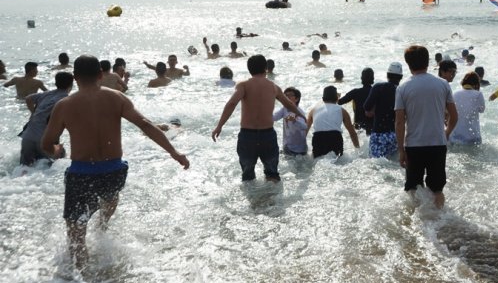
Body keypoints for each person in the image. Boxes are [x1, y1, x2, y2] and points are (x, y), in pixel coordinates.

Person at [41, 55, 189, 269]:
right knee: (109, 200)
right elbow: (146, 125)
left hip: (81, 173)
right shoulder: (117, 98)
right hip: (113, 170)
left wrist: (57, 149)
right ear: (101, 75)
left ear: (75, 78)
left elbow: (47, 144)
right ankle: (102, 227)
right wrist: (174, 152)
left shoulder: (64, 106)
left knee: (75, 234)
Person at [211, 55, 303, 182]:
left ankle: (253, 200)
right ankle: (274, 201)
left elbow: (232, 103)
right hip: (267, 135)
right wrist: (304, 117)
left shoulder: (243, 85)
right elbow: (289, 105)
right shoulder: (274, 87)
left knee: (248, 175)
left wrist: (219, 126)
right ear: (265, 68)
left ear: (249, 69)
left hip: (248, 135)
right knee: (272, 173)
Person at [395, 45, 457, 209]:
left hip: (414, 145)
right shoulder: (443, 84)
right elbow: (454, 115)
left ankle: (417, 221)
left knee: (413, 188)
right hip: (437, 143)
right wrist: (447, 133)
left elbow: (400, 122)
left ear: (408, 64)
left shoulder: (403, 87)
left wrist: (401, 150)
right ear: (427, 62)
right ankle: (440, 219)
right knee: (437, 189)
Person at [20, 72, 73, 166]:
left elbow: (28, 98)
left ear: (56, 83)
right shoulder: (67, 100)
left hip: (27, 137)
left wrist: (33, 113)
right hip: (45, 141)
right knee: (57, 160)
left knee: (24, 168)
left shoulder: (46, 94)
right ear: (71, 84)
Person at [307, 86, 360, 158]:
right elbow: (352, 133)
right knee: (337, 162)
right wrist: (358, 150)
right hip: (335, 137)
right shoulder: (342, 111)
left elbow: (305, 130)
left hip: (318, 138)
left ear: (323, 99)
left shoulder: (313, 110)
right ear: (337, 99)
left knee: (318, 161)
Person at [364, 62, 403, 158]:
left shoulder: (378, 87)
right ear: (401, 77)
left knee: (376, 166)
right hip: (396, 136)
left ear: (387, 75)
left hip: (379, 135)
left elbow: (367, 107)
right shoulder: (402, 90)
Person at [450, 72, 485, 145]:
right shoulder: (478, 94)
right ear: (476, 83)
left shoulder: (455, 93)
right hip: (472, 137)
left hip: (455, 136)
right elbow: (482, 110)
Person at [272, 87, 308, 156]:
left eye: (290, 95)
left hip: (300, 149)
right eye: (285, 95)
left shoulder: (299, 112)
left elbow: (304, 126)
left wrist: (295, 121)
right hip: (288, 147)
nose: (287, 97)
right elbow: (274, 118)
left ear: (297, 99)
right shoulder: (284, 109)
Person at [338, 68, 374, 134]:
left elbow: (339, 102)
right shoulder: (376, 92)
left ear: (361, 78)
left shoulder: (355, 92)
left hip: (359, 127)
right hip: (373, 127)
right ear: (373, 78)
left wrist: (337, 96)